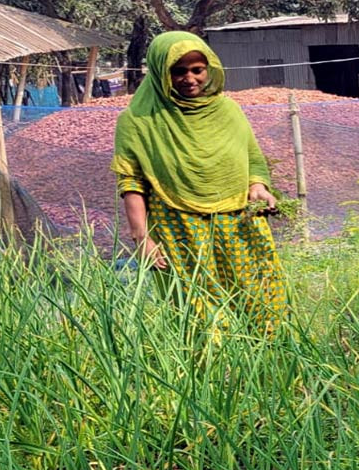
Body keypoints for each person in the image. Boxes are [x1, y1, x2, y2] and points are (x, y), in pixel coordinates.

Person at [111, 31, 286, 327]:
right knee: (197, 313)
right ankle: (209, 372)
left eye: (197, 70)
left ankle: (271, 366)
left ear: (210, 69)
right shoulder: (137, 121)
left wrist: (258, 188)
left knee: (264, 301)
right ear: (160, 73)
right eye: (178, 71)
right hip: (178, 223)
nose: (189, 78)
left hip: (239, 219)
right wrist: (142, 237)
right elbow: (132, 183)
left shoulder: (228, 111)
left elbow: (253, 160)